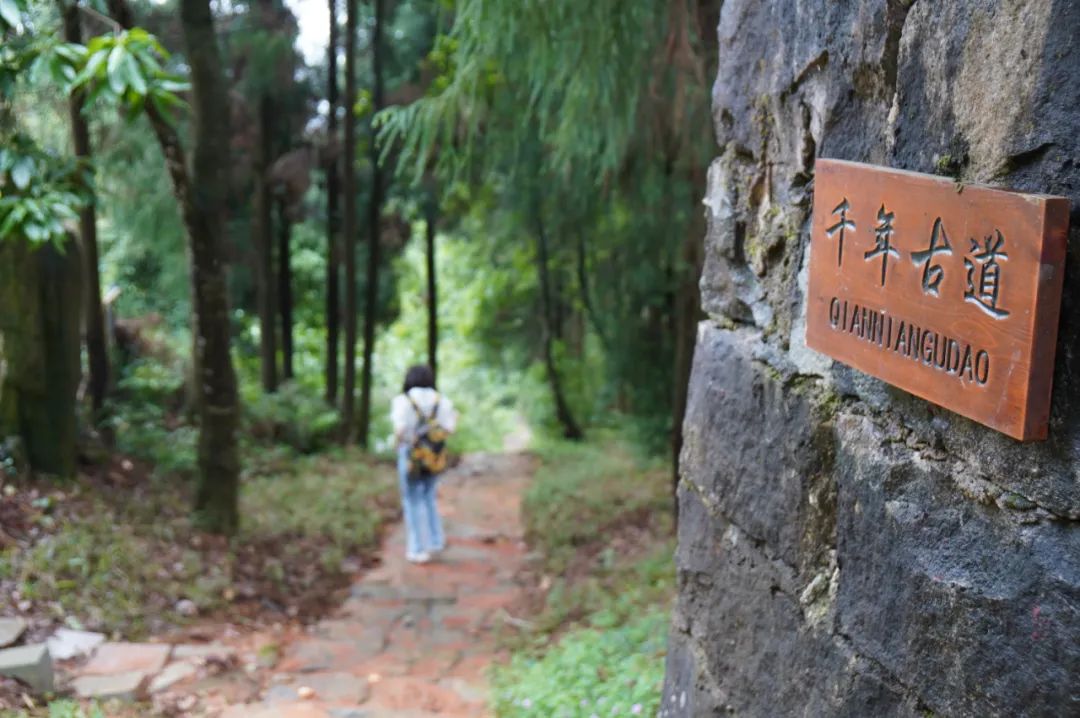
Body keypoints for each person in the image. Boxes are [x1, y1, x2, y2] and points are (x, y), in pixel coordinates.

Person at [390, 364, 457, 564]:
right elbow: (450, 428)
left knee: (411, 500)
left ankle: (417, 549)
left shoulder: (403, 400)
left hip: (411, 454)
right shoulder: (441, 400)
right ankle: (436, 541)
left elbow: (400, 430)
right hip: (433, 456)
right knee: (429, 496)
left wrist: (397, 445)